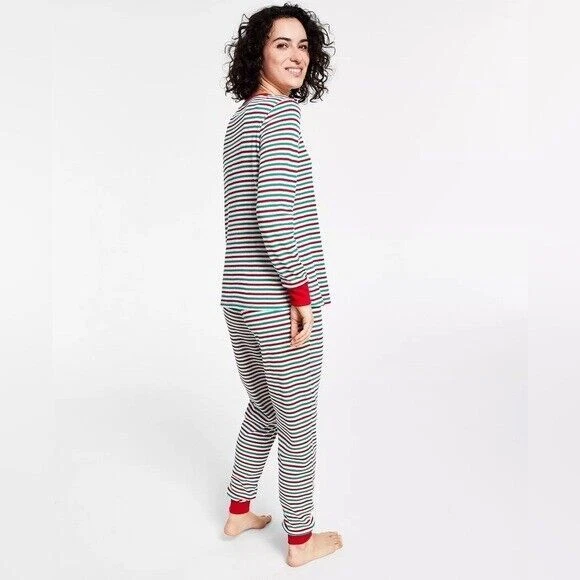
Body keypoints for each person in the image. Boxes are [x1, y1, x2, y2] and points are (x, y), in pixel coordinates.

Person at [219, 4, 343, 567]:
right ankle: (300, 541)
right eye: (282, 45)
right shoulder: (281, 118)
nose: (297, 56)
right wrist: (299, 292)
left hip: (237, 295)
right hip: (276, 300)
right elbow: (271, 213)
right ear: (259, 54)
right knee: (297, 421)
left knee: (264, 407)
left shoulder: (241, 119)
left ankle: (239, 510)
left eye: (303, 45)